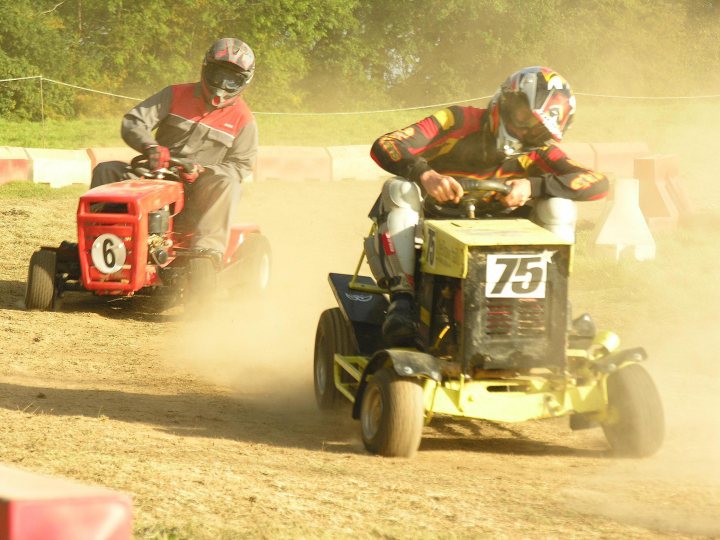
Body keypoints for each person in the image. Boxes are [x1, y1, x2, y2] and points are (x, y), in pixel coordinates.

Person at [366, 66, 609, 346]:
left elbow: (597, 182)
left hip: (505, 232)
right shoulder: (456, 120)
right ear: (506, 101)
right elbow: (387, 143)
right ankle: (402, 301)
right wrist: (426, 174)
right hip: (431, 224)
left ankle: (557, 308)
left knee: (560, 206)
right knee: (399, 188)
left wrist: (535, 186)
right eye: (523, 116)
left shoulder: (538, 149)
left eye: (538, 127)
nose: (527, 129)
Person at [90, 37, 258, 265]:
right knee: (106, 170)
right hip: (154, 174)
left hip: (199, 191)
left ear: (243, 82)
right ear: (205, 68)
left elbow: (241, 165)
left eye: (232, 80)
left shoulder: (243, 119)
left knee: (227, 182)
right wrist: (150, 147)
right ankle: (101, 241)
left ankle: (206, 254)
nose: (222, 85)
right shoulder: (175, 94)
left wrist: (203, 171)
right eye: (218, 75)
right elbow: (134, 121)